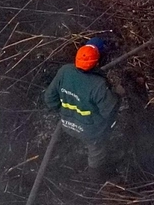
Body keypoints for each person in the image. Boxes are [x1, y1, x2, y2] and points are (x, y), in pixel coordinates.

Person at [43, 38, 120, 178]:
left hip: (67, 125)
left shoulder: (64, 71)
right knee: (96, 152)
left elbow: (49, 98)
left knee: (82, 135)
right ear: (96, 63)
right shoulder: (98, 85)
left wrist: (64, 113)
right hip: (90, 132)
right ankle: (94, 177)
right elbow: (109, 112)